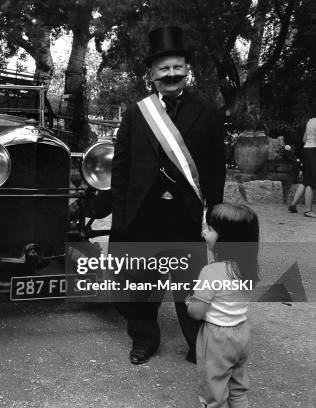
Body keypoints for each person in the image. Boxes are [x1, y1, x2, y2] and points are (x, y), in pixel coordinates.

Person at [95, 26, 227, 365]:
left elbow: (215, 167)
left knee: (191, 286)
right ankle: (144, 340)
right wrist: (121, 218)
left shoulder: (208, 112)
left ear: (187, 71)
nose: (171, 74)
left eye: (177, 68)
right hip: (144, 216)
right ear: (151, 74)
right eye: (164, 69)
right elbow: (121, 169)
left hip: (187, 216)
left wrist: (213, 214)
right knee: (142, 286)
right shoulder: (137, 114)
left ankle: (197, 342)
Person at [187, 203, 260, 408]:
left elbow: (196, 313)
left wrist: (190, 301)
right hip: (242, 332)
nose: (203, 232)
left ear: (227, 238)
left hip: (218, 338)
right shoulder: (248, 267)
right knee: (237, 389)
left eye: (209, 228)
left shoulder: (211, 272)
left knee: (213, 394)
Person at [299, 117, 316, 217]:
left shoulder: (310, 121)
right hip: (313, 151)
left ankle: (294, 205)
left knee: (307, 179)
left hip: (306, 150)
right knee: (310, 181)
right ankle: (308, 210)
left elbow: (304, 139)